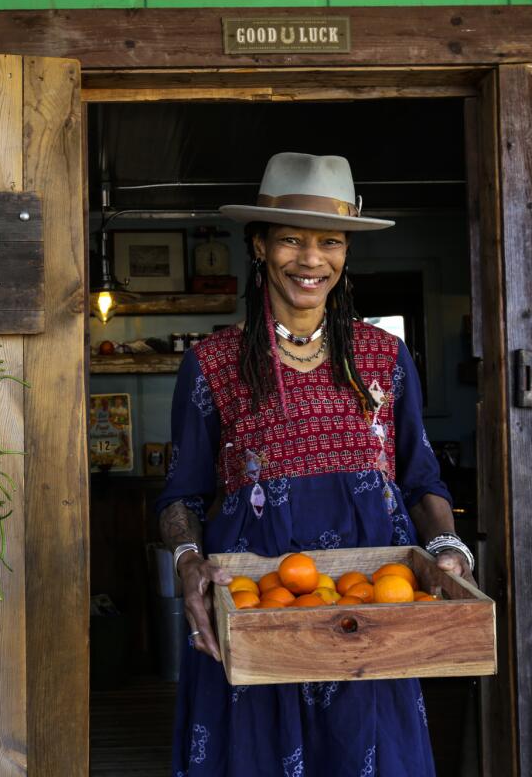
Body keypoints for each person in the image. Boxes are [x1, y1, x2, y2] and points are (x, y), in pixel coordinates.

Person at [157, 152, 474, 776]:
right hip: (253, 612)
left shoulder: (383, 355)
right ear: (258, 245)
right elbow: (181, 496)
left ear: (347, 252)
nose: (311, 259)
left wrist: (447, 545)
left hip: (374, 613)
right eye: (291, 240)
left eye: (330, 241)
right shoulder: (213, 363)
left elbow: (420, 478)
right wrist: (187, 562)